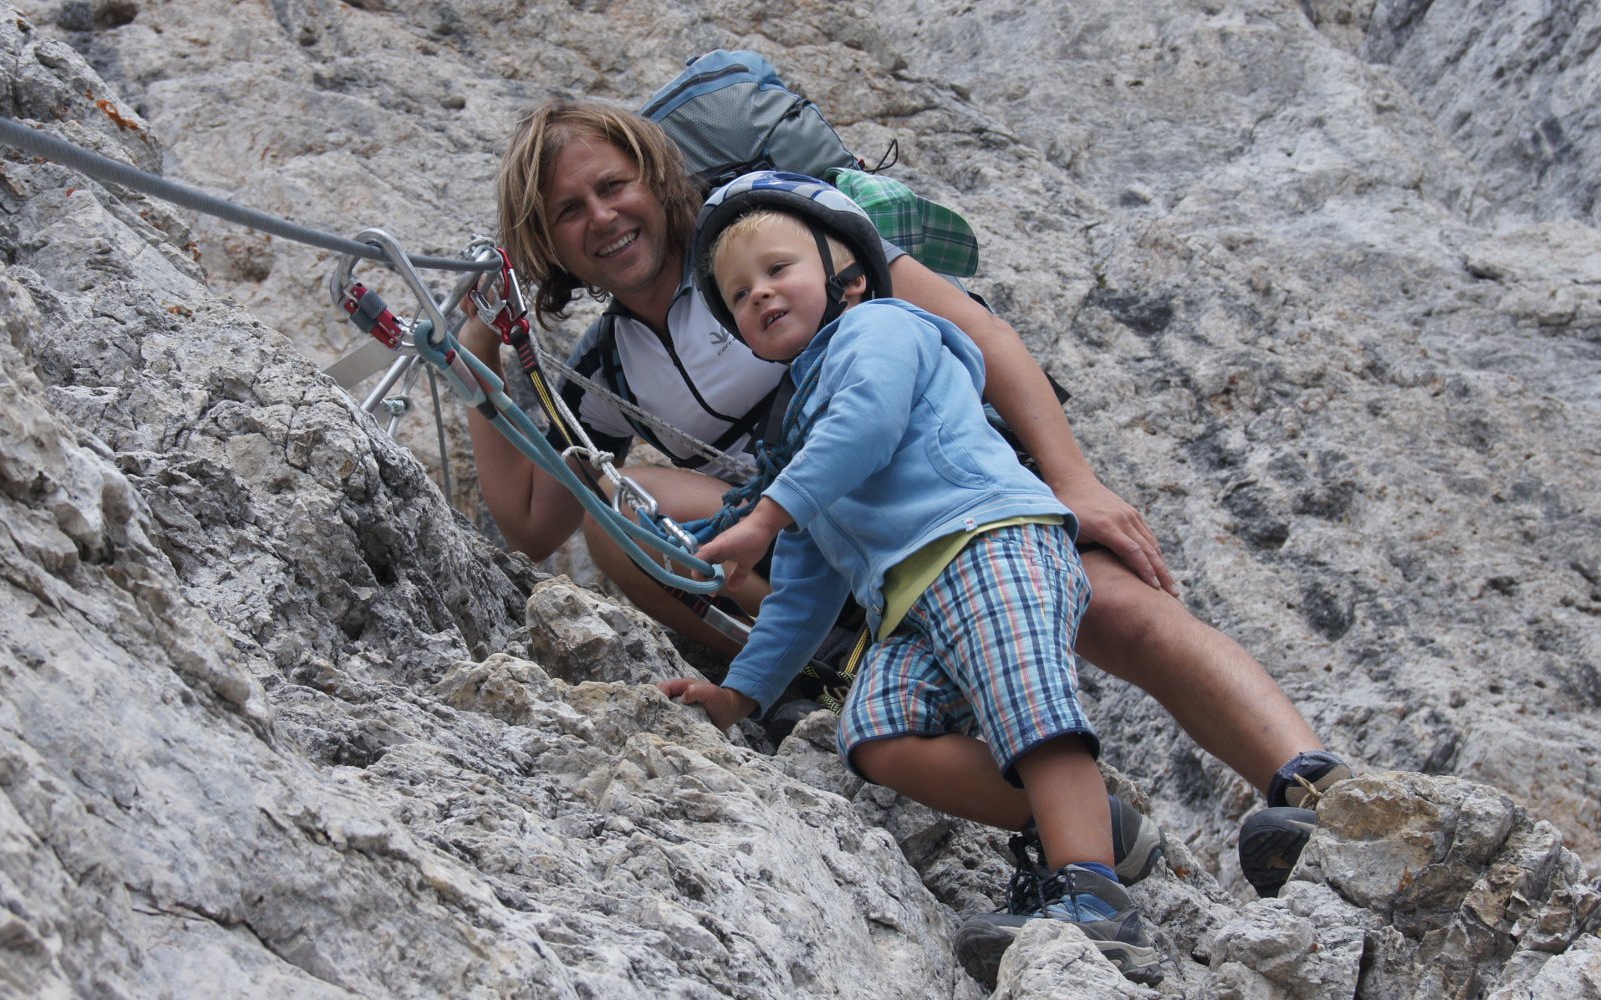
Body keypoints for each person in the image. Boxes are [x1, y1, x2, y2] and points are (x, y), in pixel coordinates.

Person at [456, 98, 1349, 897]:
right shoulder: (609, 367)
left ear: (655, 176)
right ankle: (855, 681)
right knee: (619, 504)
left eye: (613, 186)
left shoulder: (764, 225)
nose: (602, 217)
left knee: (1119, 611)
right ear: (547, 241)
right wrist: (479, 350)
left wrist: (1073, 481)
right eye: (569, 211)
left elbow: (973, 330)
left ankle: (1328, 800)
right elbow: (531, 526)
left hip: (955, 489)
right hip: (845, 548)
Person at [661, 171, 1158, 981]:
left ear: (848, 276)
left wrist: (762, 517)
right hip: (915, 606)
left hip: (987, 543)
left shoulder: (882, 328)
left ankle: (1091, 894)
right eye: (737, 293)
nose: (759, 294)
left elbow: (871, 418)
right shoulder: (800, 434)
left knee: (1024, 698)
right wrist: (739, 694)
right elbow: (804, 591)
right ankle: (1096, 829)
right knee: (879, 735)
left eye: (779, 269)